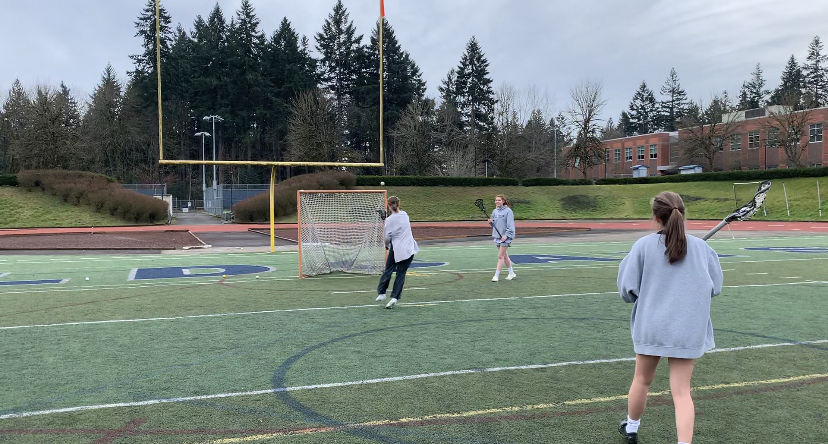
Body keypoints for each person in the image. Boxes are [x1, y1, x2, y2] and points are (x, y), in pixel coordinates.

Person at [616, 192, 723, 444]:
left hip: (651, 325)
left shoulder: (642, 246)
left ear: (656, 217)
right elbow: (714, 287)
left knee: (642, 380)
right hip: (687, 327)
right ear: (682, 213)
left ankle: (632, 427)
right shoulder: (702, 248)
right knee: (682, 392)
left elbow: (627, 290)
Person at [376, 196, 419, 309]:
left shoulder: (390, 220)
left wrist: (386, 245)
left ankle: (381, 293)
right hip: (409, 248)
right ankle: (395, 297)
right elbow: (398, 223)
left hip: (397, 249)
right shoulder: (405, 215)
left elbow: (387, 236)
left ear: (389, 206)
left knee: (388, 270)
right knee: (401, 274)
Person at [488, 194, 516, 282]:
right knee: (505, 256)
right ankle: (511, 273)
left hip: (505, 237)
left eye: (499, 200)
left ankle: (496, 276)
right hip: (497, 236)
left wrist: (506, 236)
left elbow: (510, 226)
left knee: (500, 256)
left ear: (503, 201)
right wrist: (491, 222)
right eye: (496, 200)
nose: (497, 202)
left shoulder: (508, 211)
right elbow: (494, 224)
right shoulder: (495, 211)